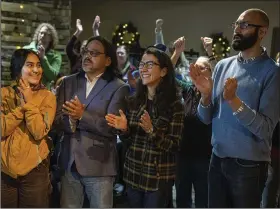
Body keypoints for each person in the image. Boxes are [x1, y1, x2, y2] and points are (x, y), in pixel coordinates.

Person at [190, 8, 280, 207]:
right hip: (217, 158)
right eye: (236, 24)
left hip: (248, 166)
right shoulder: (223, 65)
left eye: (245, 25)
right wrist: (205, 96)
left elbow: (266, 129)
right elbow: (205, 118)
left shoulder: (272, 72)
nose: (237, 30)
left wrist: (234, 102)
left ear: (262, 32)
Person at [54, 36, 130, 208]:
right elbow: (56, 120)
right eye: (86, 52)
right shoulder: (68, 82)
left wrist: (82, 115)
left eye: (94, 53)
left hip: (99, 166)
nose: (88, 56)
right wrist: (71, 121)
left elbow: (111, 127)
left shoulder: (118, 87)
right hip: (69, 162)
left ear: (108, 60)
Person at [105, 46, 184, 208]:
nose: (144, 69)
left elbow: (174, 145)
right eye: (142, 64)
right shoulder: (134, 101)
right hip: (133, 174)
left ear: (163, 71)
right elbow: (129, 140)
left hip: (158, 178)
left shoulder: (174, 105)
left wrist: (151, 131)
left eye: (149, 64)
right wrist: (124, 129)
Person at [1, 49, 57, 207]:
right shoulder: (4, 94)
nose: (36, 70)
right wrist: (23, 109)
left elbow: (39, 131)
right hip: (4, 171)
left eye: (39, 65)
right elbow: (2, 129)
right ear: (18, 68)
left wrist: (29, 102)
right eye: (30, 65)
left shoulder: (48, 97)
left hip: (35, 171)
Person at [23, 23, 62, 89]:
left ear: (51, 38)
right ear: (37, 35)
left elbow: (52, 76)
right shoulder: (25, 50)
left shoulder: (56, 55)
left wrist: (43, 59)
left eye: (46, 34)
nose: (43, 35)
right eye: (41, 33)